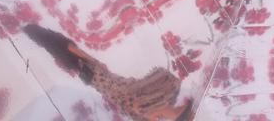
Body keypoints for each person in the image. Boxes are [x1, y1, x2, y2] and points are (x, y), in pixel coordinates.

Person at [22, 24, 193, 121]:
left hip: (93, 80)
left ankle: (168, 113)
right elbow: (73, 49)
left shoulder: (52, 49)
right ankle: (171, 114)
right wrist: (95, 61)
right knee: (133, 93)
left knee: (130, 96)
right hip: (96, 73)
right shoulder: (56, 40)